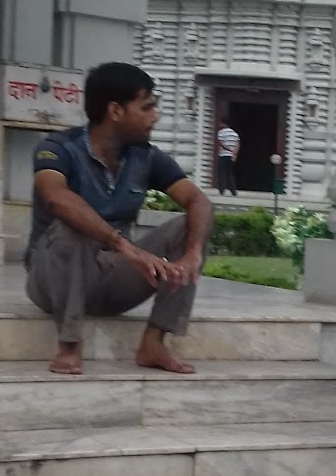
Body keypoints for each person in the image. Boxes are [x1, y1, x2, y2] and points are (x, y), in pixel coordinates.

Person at [25, 62, 214, 377]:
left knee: (190, 226)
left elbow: (198, 201)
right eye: (147, 107)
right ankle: (69, 344)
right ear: (115, 111)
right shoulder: (58, 148)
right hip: (52, 281)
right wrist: (122, 244)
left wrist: (193, 252)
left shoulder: (146, 156)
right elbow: (56, 196)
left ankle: (154, 342)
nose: (156, 116)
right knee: (75, 224)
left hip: (112, 281)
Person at [216, 122, 240, 195]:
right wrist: (234, 154)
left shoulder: (221, 132)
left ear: (223, 124)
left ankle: (221, 190)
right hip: (231, 156)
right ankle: (233, 191)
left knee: (221, 173)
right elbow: (237, 145)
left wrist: (228, 149)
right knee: (230, 174)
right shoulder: (235, 134)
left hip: (223, 155)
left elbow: (221, 143)